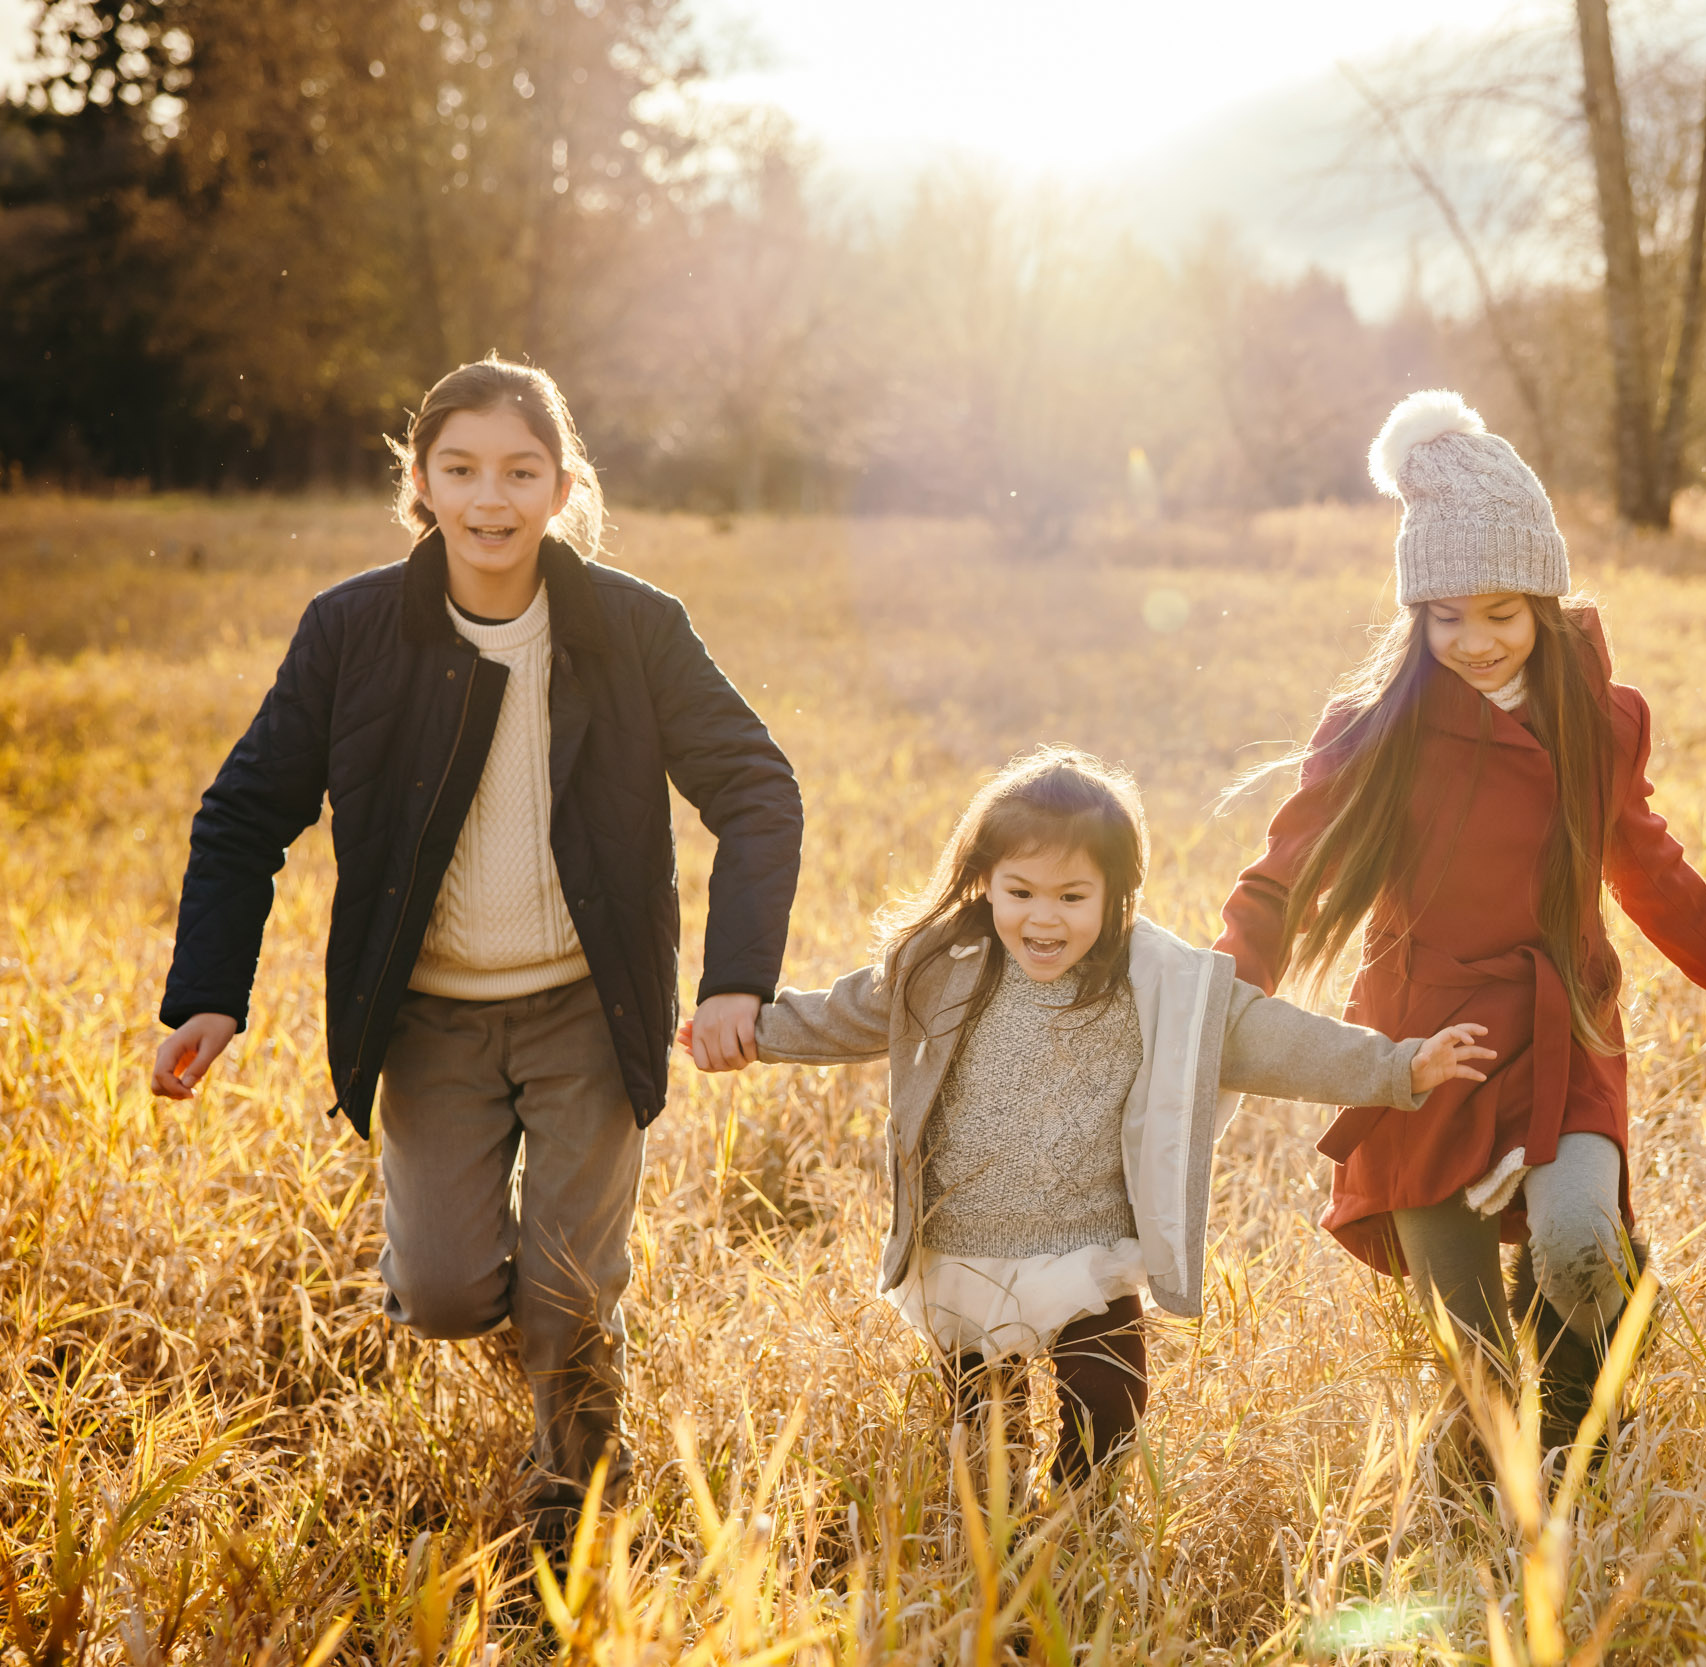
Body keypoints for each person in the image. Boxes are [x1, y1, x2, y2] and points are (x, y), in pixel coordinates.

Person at [149, 356, 803, 1540]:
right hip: (429, 1016)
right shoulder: (352, 630)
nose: (490, 498)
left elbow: (756, 787)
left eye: (519, 470)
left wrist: (735, 979)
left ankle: (574, 1503)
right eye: (460, 469)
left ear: (562, 487)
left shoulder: (632, 627)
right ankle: (557, 1347)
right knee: (447, 1293)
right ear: (421, 480)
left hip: (586, 1007)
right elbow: (245, 812)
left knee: (565, 1289)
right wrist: (208, 993)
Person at [1214, 390, 1706, 1453]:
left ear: (1544, 599)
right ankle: (1515, 1460)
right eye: (1445, 616)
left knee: (1580, 1244)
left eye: (1500, 612)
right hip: (1421, 1043)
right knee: (1478, 1364)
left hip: (1559, 1024)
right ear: (1417, 616)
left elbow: (1644, 862)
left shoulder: (1602, 717)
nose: (1474, 640)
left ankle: (1588, 1446)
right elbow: (1283, 876)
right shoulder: (1369, 732)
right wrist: (1218, 992)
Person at [693, 747, 1493, 1491]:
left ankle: (1075, 1516)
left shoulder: (1154, 982)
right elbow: (846, 1015)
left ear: (1117, 895)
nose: (1045, 920)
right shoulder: (943, 966)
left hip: (1087, 1247)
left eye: (1073, 897)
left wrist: (1397, 1066)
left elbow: (1269, 1036)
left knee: (1110, 1403)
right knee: (984, 1440)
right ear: (984, 881)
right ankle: (997, 1563)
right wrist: (751, 1032)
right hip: (965, 1248)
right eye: (1021, 893)